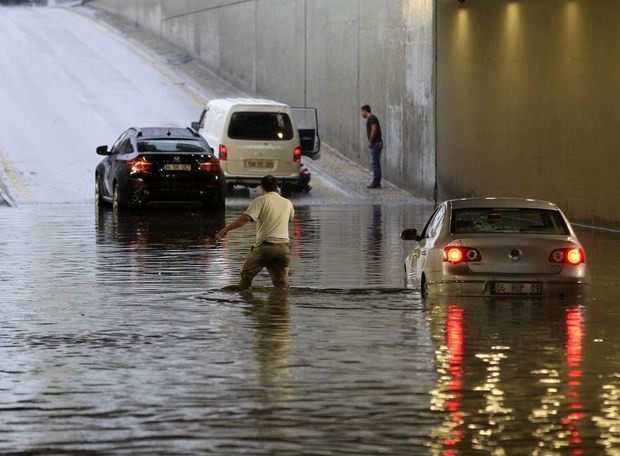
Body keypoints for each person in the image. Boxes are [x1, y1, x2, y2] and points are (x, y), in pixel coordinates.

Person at [216, 175, 295, 291]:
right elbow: (290, 218)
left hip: (265, 248)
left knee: (245, 281)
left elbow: (245, 219)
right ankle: (279, 306)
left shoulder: (261, 200)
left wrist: (226, 229)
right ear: (277, 187)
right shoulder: (287, 203)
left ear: (262, 188)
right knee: (282, 288)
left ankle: (248, 304)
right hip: (283, 250)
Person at [360, 104, 383, 189]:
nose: (361, 114)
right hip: (376, 143)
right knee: (376, 163)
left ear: (366, 110)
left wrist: (370, 141)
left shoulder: (372, 118)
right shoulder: (371, 118)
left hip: (375, 144)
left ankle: (376, 183)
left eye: (362, 112)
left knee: (375, 164)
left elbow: (374, 129)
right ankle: (376, 182)